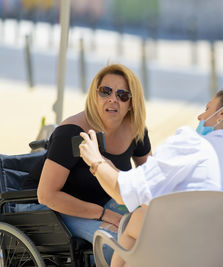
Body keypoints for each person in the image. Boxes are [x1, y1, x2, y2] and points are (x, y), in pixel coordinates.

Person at [78, 81, 223, 267]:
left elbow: (124, 193)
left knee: (137, 218)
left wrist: (95, 160)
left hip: (177, 256)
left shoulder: (192, 143)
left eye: (206, 109)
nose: (200, 117)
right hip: (220, 259)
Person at [21, 64, 152, 263]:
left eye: (122, 94)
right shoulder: (72, 132)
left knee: (151, 233)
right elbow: (46, 195)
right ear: (94, 95)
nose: (112, 99)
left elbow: (150, 180)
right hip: (50, 208)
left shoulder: (136, 131)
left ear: (132, 103)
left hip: (102, 202)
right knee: (117, 244)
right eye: (105, 91)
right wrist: (104, 215)